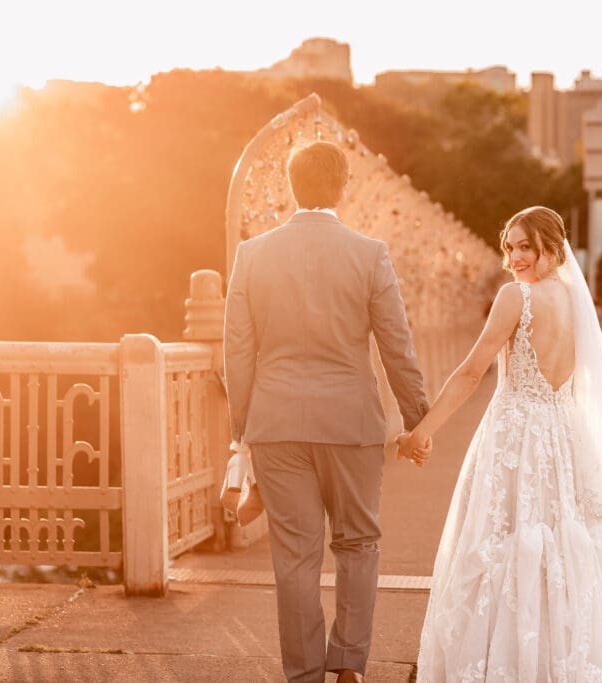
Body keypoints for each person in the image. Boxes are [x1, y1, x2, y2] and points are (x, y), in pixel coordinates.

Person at [398, 206, 602, 681]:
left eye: (525, 246)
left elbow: (471, 372)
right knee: (560, 547)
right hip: (561, 436)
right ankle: (558, 662)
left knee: (502, 541)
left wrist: (421, 431)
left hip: (514, 435)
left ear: (552, 247)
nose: (515, 257)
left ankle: (506, 664)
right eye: (509, 247)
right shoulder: (578, 304)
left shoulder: (517, 298)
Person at [224, 140, 432, 683]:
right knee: (358, 543)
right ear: (343, 187)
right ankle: (349, 666)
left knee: (294, 556)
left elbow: (238, 351)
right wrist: (418, 419)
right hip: (351, 423)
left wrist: (243, 429)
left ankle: (303, 674)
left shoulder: (253, 254)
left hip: (276, 423)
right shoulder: (369, 254)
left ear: (292, 186)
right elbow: (397, 346)